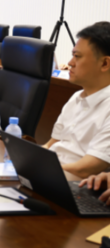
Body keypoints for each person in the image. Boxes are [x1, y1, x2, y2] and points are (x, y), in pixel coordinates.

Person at [44, 22, 110, 178]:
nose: (70, 63)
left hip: (73, 181)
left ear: (105, 63)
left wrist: (40, 170)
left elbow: (85, 169)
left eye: (77, 56)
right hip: (52, 173)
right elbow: (51, 144)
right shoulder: (76, 97)